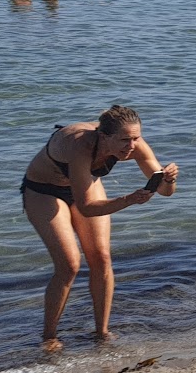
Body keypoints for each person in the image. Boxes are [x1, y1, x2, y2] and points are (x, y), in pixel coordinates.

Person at [20, 105, 178, 350]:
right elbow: (87, 208)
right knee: (69, 265)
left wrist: (168, 179)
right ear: (104, 136)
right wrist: (128, 199)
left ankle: (101, 334)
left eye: (136, 138)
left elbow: (165, 193)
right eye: (125, 140)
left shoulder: (135, 145)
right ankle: (49, 337)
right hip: (44, 190)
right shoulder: (80, 146)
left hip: (85, 186)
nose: (132, 145)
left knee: (101, 257)